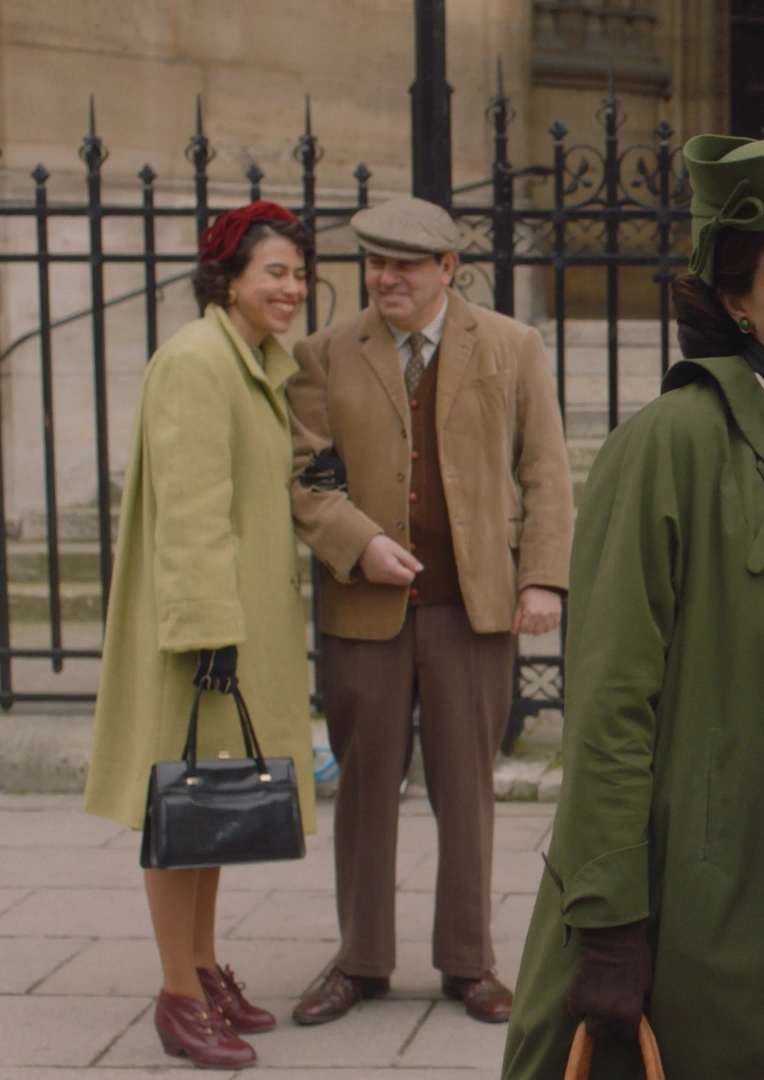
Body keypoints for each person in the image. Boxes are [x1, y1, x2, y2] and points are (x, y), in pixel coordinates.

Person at [502, 135, 764, 1080]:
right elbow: (610, 703)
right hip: (691, 897)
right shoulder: (670, 441)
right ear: (734, 301)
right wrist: (610, 920)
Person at [285, 196, 574, 1026]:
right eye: (375, 262)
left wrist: (542, 579)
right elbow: (309, 477)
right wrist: (358, 542)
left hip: (471, 610)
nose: (386, 278)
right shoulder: (325, 354)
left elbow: (546, 471)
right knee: (366, 787)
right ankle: (361, 961)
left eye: (405, 265)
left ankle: (469, 963)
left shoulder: (513, 347)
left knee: (466, 789)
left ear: (448, 269)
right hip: (364, 608)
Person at [82, 201, 316, 1069]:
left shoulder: (250, 362)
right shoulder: (195, 364)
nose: (291, 289)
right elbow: (187, 515)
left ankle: (205, 963)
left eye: (298, 273)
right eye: (274, 273)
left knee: (209, 809)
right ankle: (177, 994)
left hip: (233, 629)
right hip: (201, 637)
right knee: (177, 812)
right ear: (228, 279)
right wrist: (210, 635)